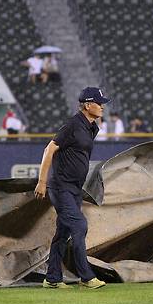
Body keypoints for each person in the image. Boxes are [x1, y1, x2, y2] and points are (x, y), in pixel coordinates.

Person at [34, 86, 109, 290]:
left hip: (75, 188)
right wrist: (42, 181)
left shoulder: (92, 128)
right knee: (79, 226)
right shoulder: (73, 125)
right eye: (99, 103)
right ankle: (86, 276)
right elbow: (49, 150)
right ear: (87, 105)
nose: (102, 107)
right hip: (61, 187)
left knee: (62, 233)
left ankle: (52, 278)